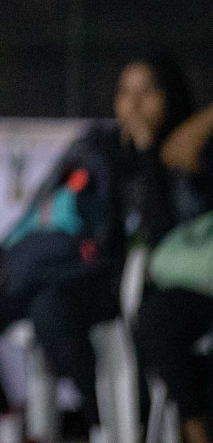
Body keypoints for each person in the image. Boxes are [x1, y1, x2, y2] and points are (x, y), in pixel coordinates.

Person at [0, 57, 197, 440]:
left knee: (51, 311)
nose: (134, 104)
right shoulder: (95, 147)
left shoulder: (177, 154)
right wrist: (4, 250)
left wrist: (147, 158)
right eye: (125, 92)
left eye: (148, 91)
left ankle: (99, 424)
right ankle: (5, 422)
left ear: (170, 97)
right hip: (44, 268)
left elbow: (168, 234)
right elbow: (46, 205)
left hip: (102, 278)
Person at [132, 59, 213, 443]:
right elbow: (179, 153)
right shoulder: (106, 150)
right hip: (200, 277)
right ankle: (194, 426)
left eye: (145, 91)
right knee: (155, 317)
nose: (132, 104)